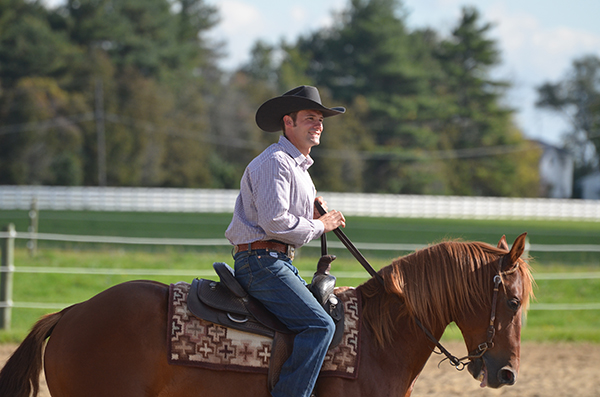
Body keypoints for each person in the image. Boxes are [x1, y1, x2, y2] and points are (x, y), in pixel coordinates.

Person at [225, 85, 347, 397]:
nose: (318, 125)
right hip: (262, 263)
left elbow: (283, 214)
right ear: (288, 123)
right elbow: (274, 221)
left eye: (320, 119)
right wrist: (321, 224)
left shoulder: (297, 168)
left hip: (274, 260)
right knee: (321, 327)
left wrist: (311, 208)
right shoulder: (276, 162)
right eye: (310, 118)